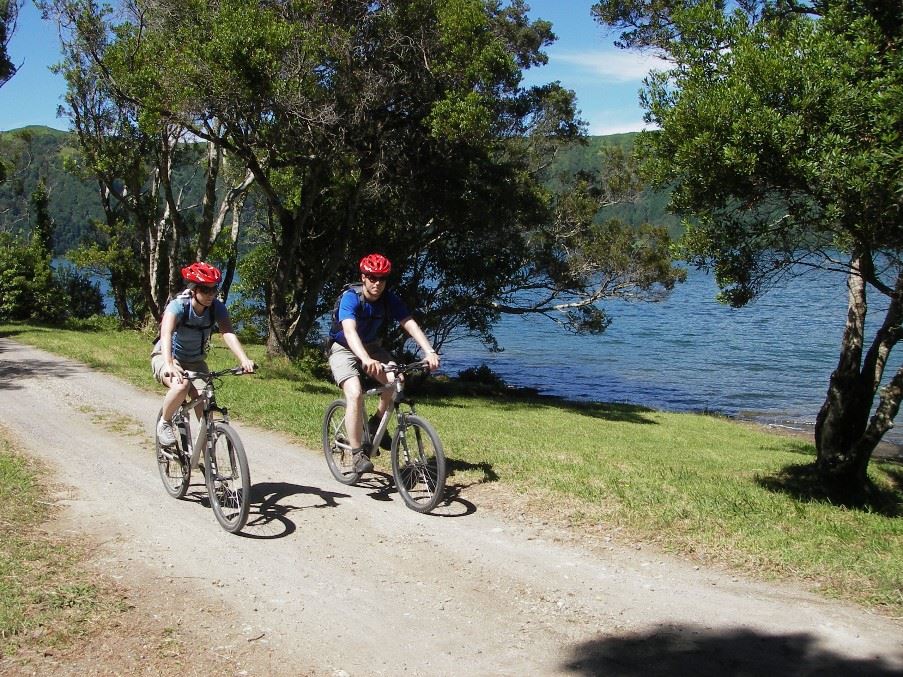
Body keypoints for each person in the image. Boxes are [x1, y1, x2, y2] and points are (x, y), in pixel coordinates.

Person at [327, 253, 440, 473]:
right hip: (343, 349)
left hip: (372, 347)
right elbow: (349, 331)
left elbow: (409, 323)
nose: (376, 283)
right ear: (363, 277)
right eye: (372, 277)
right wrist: (365, 359)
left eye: (382, 278)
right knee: (355, 393)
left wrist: (429, 351)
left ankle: (376, 421)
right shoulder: (351, 297)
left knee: (396, 381)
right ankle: (357, 453)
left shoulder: (389, 299)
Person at [152, 262, 255, 446]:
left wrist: (244, 359)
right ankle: (165, 423)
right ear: (193, 290)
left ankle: (206, 447)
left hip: (195, 361)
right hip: (167, 356)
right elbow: (165, 333)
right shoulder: (178, 306)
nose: (210, 295)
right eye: (205, 290)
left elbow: (228, 333)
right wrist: (168, 362)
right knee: (181, 387)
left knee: (205, 398)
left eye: (213, 290)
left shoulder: (217, 308)